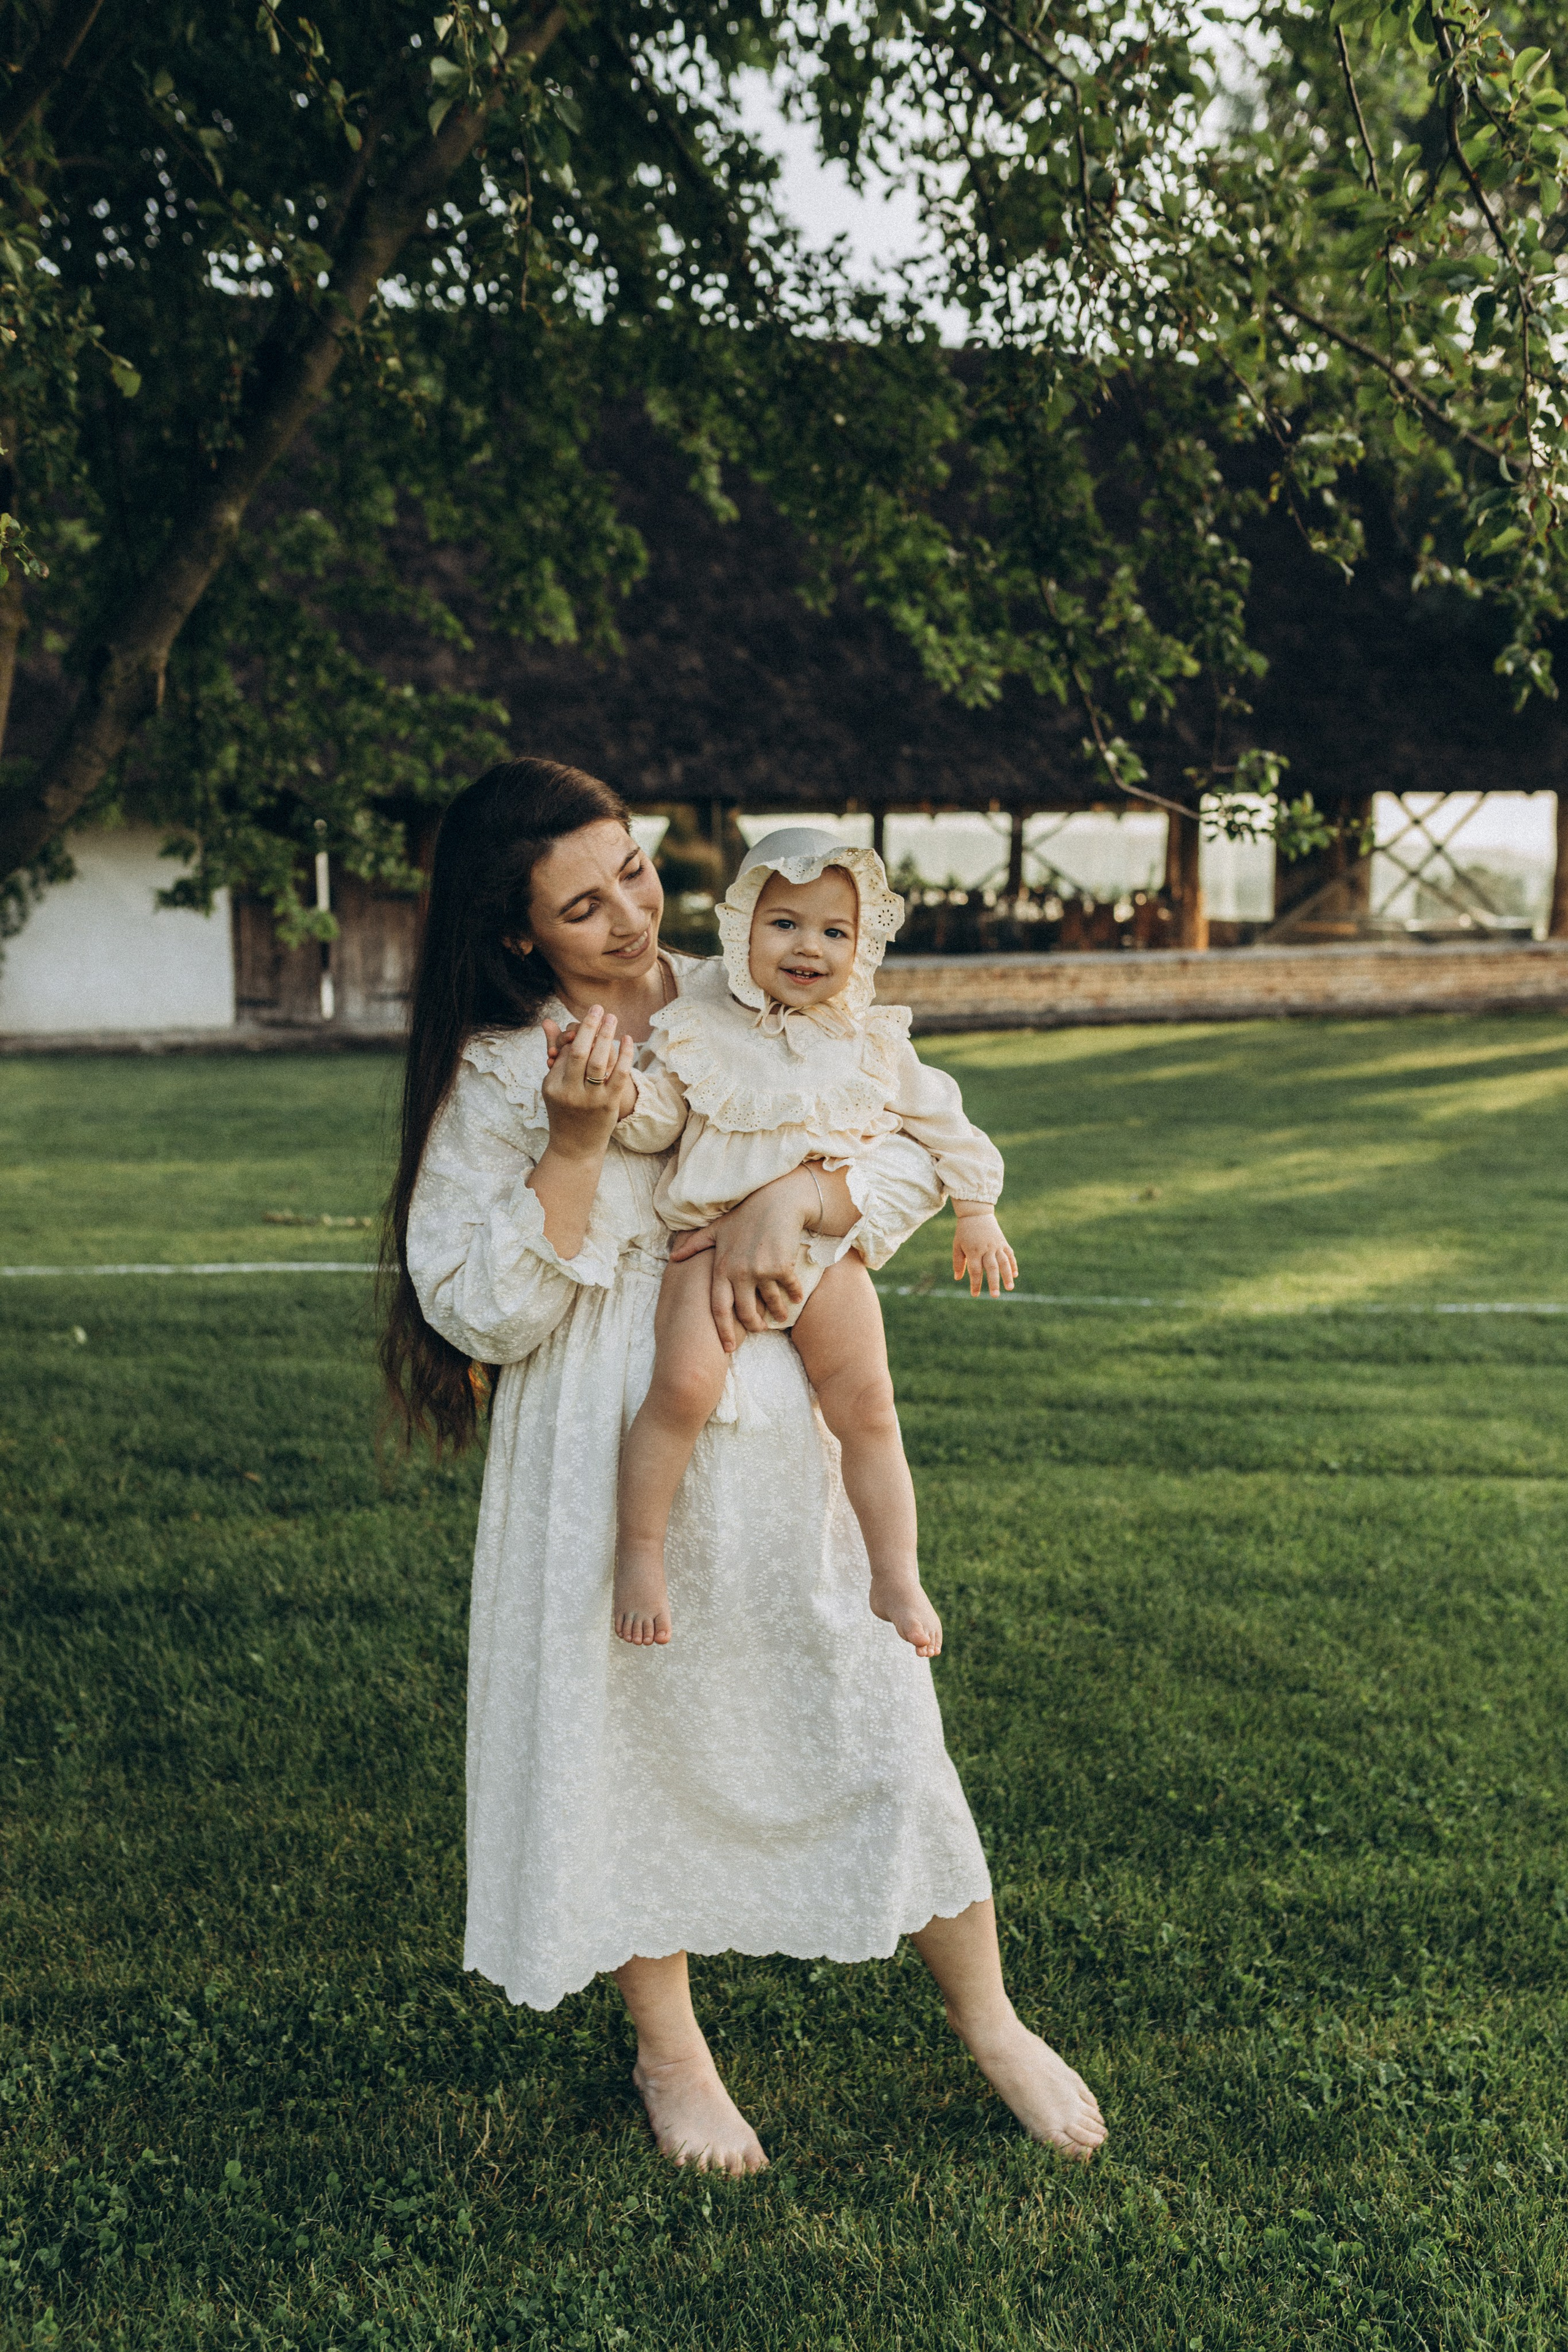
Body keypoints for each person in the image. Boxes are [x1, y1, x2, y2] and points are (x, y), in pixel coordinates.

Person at [382, 758, 1107, 2175]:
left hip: (780, 1416)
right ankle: (671, 2051)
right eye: (581, 907)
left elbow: (902, 1140)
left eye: (634, 871)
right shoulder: (499, 1067)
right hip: (601, 1436)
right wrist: (575, 1146)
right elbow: (480, 1311)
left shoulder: (762, 983)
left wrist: (810, 1194)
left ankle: (991, 2020)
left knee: (872, 1707)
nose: (628, 915)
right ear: (517, 931)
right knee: (626, 1738)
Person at [603, 827, 1017, 1655]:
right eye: (785, 924)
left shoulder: (872, 1042)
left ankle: (895, 1570)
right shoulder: (697, 1029)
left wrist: (978, 1208)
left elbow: (945, 1122)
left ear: (862, 947)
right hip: (708, 1252)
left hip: (830, 1260)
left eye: (835, 932)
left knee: (868, 1403)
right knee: (682, 1388)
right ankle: (640, 1551)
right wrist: (619, 1094)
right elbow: (661, 1122)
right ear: (743, 929)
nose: (809, 947)